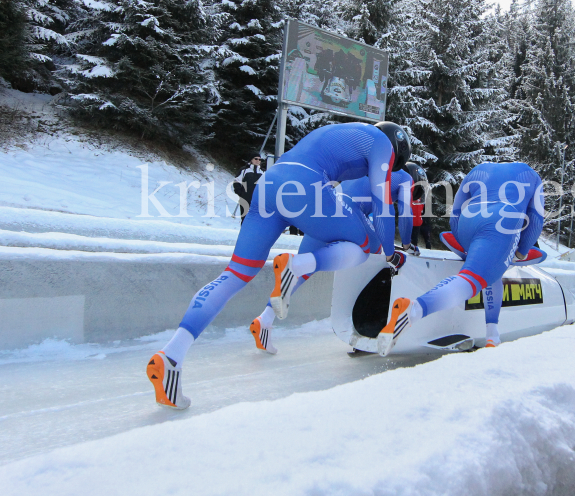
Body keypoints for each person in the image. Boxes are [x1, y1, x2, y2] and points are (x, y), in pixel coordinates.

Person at [146, 121, 411, 409]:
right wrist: (388, 253)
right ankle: (297, 266)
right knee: (366, 246)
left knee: (235, 273)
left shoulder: (344, 131)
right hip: (307, 186)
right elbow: (382, 204)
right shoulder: (381, 144)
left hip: (270, 185)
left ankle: (172, 355)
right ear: (395, 150)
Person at [376, 162, 546, 355]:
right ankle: (414, 309)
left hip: (467, 221)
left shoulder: (478, 169)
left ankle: (492, 335)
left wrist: (466, 245)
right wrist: (521, 252)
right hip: (502, 221)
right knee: (472, 278)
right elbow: (536, 221)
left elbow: (455, 214)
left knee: (491, 271)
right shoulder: (532, 176)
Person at [233, 156, 265, 223]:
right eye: (256, 159)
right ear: (251, 160)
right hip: (245, 199)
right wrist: (240, 193)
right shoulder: (244, 170)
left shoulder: (263, 172)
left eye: (260, 159)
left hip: (258, 200)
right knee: (245, 219)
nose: (258, 160)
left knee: (257, 220)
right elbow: (236, 182)